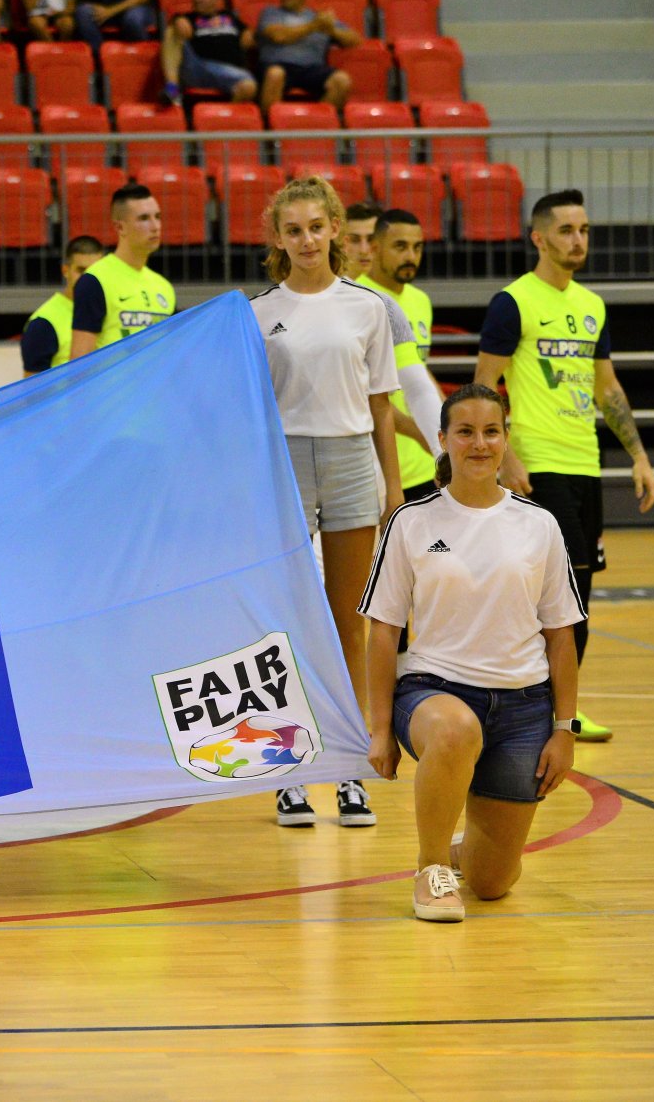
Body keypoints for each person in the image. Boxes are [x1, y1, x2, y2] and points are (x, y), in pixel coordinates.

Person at [361, 383, 586, 922]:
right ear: (442, 440)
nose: (479, 444)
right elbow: (384, 631)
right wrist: (380, 729)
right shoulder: (411, 521)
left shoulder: (539, 524)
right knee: (455, 729)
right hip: (433, 692)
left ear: (506, 439)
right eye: (465, 432)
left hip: (523, 709)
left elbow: (560, 635)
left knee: (492, 883)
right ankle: (432, 866)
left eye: (490, 431)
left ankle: (469, 853)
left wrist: (565, 729)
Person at [474, 189, 654, 744]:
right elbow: (483, 385)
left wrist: (639, 456)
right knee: (561, 594)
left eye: (584, 230)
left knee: (580, 593)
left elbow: (608, 389)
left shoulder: (592, 305)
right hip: (540, 465)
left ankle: (558, 708)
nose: (578, 240)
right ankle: (547, 711)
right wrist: (506, 456)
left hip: (585, 465)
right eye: (566, 231)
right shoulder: (513, 302)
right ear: (539, 238)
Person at [249, 176, 400, 829]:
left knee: (348, 622)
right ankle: (288, 771)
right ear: (278, 238)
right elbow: (249, 408)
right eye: (294, 230)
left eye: (316, 226)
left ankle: (348, 766)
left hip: (350, 460)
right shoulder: (257, 313)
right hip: (283, 461)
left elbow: (381, 406)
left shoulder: (368, 308)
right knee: (285, 622)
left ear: (335, 227)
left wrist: (394, 487)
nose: (307, 239)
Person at [357, 208, 443, 503]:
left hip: (425, 464)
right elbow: (365, 395)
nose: (410, 256)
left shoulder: (421, 301)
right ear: (374, 248)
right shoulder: (359, 299)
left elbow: (420, 373)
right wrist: (422, 434)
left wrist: (444, 432)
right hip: (381, 465)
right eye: (400, 246)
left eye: (417, 247)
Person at [65, 185, 174, 357]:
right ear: (120, 227)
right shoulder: (95, 280)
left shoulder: (164, 287)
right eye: (144, 218)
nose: (155, 226)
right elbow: (79, 362)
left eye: (158, 217)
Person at [256, 0, 361, 110]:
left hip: (312, 68)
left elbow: (355, 40)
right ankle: (271, 122)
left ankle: (319, 120)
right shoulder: (270, 13)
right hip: (278, 65)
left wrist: (332, 30)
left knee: (342, 80)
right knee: (275, 74)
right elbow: (279, 36)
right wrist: (313, 26)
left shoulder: (317, 17)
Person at [160, 0, 257, 106]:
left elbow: (247, 34)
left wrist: (249, 34)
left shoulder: (229, 16)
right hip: (198, 67)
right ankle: (173, 88)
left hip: (230, 71)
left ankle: (220, 115)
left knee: (248, 86)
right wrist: (177, 20)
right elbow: (177, 26)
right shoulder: (188, 18)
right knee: (171, 31)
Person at [20, 235, 105, 375]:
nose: (88, 278)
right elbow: (33, 386)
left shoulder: (114, 309)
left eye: (95, 271)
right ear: (65, 270)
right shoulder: (44, 322)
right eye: (81, 270)